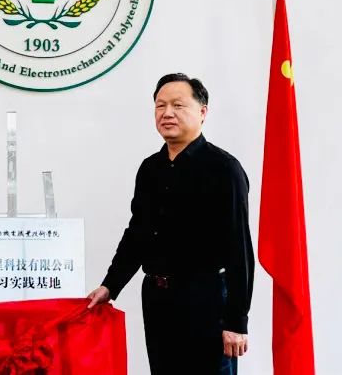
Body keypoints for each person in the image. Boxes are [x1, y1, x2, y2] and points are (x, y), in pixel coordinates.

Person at [87, 73, 254, 374]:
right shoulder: (150, 168)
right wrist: (110, 286)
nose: (167, 113)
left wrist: (236, 321)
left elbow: (239, 248)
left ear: (202, 112)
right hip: (158, 298)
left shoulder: (224, 169)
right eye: (160, 105)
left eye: (178, 105)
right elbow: (137, 234)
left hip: (206, 301)